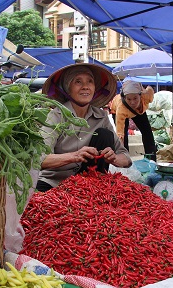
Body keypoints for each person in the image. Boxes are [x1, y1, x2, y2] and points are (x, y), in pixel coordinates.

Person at [36, 63, 132, 192]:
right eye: (78, 82)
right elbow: (39, 159)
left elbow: (126, 157)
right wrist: (75, 156)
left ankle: (95, 188)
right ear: (67, 88)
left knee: (104, 135)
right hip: (54, 183)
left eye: (90, 81)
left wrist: (114, 158)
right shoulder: (56, 116)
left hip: (87, 183)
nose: (85, 87)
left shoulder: (101, 117)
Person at [111, 80, 157, 160]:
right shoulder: (121, 108)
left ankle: (152, 159)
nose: (132, 102)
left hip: (138, 111)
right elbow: (120, 134)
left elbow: (150, 89)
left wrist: (144, 89)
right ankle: (125, 160)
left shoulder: (145, 96)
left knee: (147, 133)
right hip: (117, 111)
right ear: (125, 98)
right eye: (129, 99)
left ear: (140, 96)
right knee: (123, 137)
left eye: (135, 98)